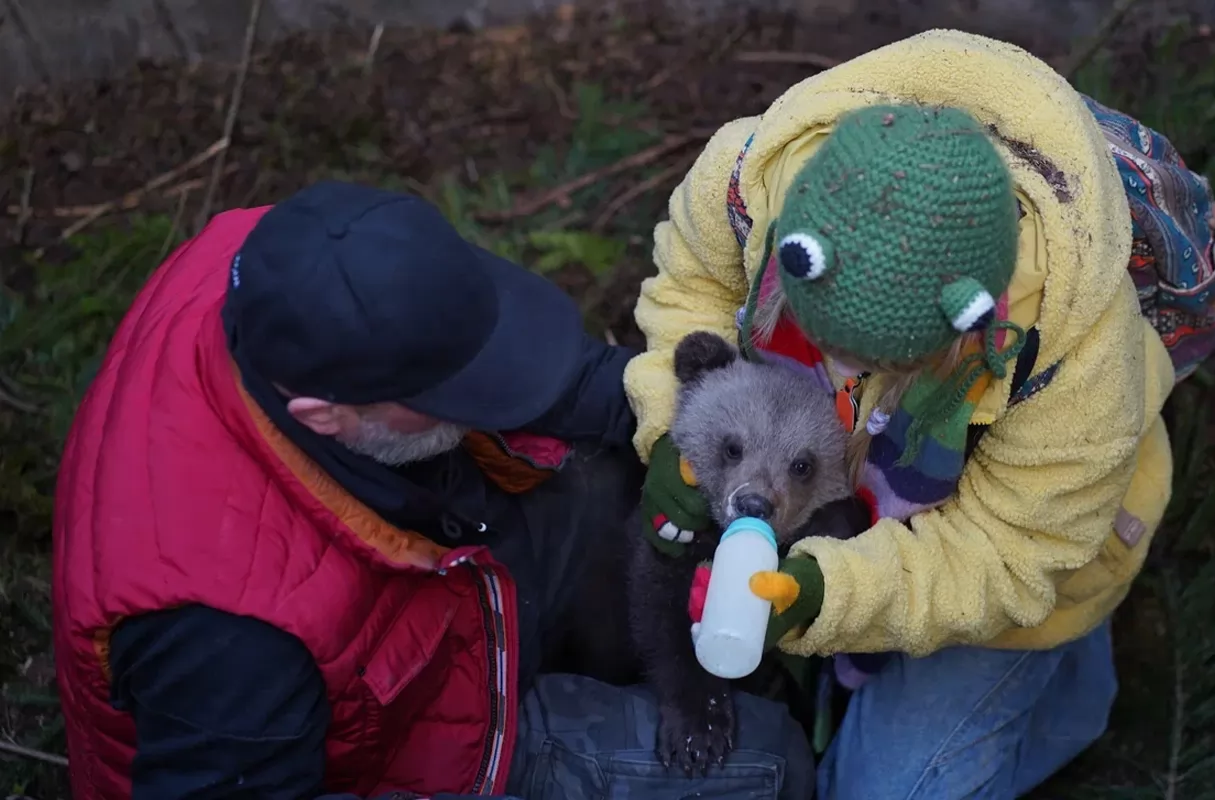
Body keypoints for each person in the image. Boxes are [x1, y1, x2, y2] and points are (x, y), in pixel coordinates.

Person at [625, 29, 1215, 799]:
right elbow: (689, 287)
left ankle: (1068, 672)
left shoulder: (1077, 368)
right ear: (798, 240)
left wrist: (831, 597)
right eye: (820, 337)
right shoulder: (753, 178)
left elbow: (1010, 556)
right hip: (854, 486)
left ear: (970, 319)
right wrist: (671, 425)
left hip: (1029, 546)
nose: (839, 375)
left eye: (878, 363)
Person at [51, 181, 815, 799]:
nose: (496, 394)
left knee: (614, 479)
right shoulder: (230, 641)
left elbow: (555, 378)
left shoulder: (276, 256)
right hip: (406, 743)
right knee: (773, 762)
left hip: (435, 586)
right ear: (326, 415)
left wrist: (687, 415)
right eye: (457, 390)